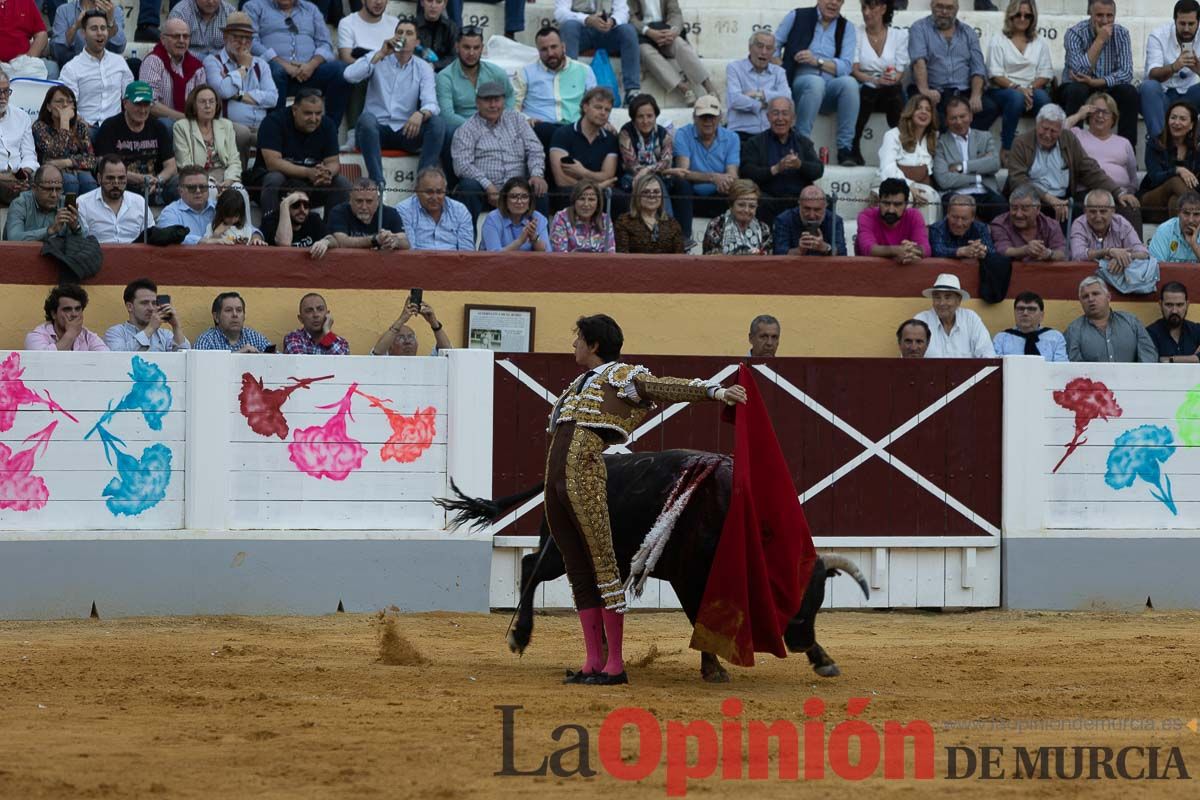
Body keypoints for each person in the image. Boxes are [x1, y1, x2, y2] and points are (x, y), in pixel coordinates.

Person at [545, 313, 746, 685]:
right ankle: (593, 661)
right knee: (578, 569)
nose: (573, 344)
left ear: (594, 345)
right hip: (556, 480)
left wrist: (714, 392)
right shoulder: (577, 383)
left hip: (586, 475)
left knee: (604, 566)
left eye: (578, 339)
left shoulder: (622, 377)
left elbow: (665, 387)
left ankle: (615, 665)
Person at [346, 17, 446, 185]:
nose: (403, 37)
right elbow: (349, 75)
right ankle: (377, 183)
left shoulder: (423, 67)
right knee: (366, 120)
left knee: (437, 123)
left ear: (417, 42)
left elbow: (432, 103)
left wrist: (421, 114)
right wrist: (380, 54)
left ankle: (423, 183)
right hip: (376, 130)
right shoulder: (377, 57)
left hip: (406, 130)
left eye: (409, 33)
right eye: (399, 33)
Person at [1006, 104, 1139, 228]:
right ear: (1037, 124)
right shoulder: (1021, 142)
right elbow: (1017, 180)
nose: (1047, 135)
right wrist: (1049, 198)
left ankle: (1133, 251)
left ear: (1061, 130)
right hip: (1031, 200)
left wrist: (1118, 192)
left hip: (1063, 200)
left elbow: (1089, 169)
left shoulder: (1068, 138)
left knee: (1119, 208)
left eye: (1053, 131)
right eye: (1044, 128)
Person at [776, 0, 860, 166]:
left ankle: (845, 149)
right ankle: (801, 142)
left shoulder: (847, 27)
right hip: (800, 80)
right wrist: (781, 69)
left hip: (829, 85)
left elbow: (846, 66)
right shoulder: (797, 15)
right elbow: (774, 46)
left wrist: (817, 61)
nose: (834, 3)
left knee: (850, 83)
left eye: (839, 0)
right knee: (815, 83)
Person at [451, 80, 548, 220]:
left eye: (497, 100)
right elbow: (462, 165)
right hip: (485, 192)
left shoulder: (516, 119)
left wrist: (537, 174)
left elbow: (535, 149)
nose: (493, 105)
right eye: (487, 100)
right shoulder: (466, 129)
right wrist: (488, 186)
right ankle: (466, 241)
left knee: (538, 187)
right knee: (468, 186)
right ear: (477, 103)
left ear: (504, 101)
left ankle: (541, 240)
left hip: (519, 189)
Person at [245, 0, 348, 126]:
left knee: (341, 69)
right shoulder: (254, 7)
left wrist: (311, 65)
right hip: (273, 75)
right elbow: (251, 42)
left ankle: (330, 129)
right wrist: (284, 65)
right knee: (275, 70)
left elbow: (325, 43)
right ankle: (277, 130)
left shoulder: (311, 9)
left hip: (309, 73)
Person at [1058, 0, 1138, 147]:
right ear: (1090, 14)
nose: (1105, 21)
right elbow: (1078, 72)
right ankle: (1071, 148)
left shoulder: (1122, 34)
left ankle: (1128, 150)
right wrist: (1100, 41)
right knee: (1077, 90)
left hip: (1104, 85)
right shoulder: (1074, 33)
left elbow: (1126, 73)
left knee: (1129, 92)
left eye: (1110, 16)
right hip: (1076, 85)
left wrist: (1097, 82)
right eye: (1099, 15)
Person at [908, 0, 997, 131]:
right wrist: (925, 90)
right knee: (935, 115)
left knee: (989, 108)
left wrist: (976, 95)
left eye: (949, 8)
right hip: (935, 91)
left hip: (963, 92)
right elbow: (918, 62)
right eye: (940, 6)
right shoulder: (919, 28)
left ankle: (962, 143)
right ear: (931, 6)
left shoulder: (968, 32)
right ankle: (949, 144)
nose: (944, 12)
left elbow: (978, 67)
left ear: (956, 9)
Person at [256, 89, 350, 212]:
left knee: (341, 183)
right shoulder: (274, 121)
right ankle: (270, 226)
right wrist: (308, 172)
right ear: (294, 110)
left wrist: (326, 173)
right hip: (280, 183)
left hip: (310, 184)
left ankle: (331, 230)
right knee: (274, 178)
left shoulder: (328, 125)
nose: (314, 119)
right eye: (308, 113)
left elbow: (333, 162)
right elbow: (273, 163)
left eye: (318, 113)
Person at [669, 95, 741, 245]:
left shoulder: (732, 137)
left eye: (712, 117)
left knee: (736, 187)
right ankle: (684, 238)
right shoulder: (683, 133)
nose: (708, 121)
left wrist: (725, 181)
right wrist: (713, 177)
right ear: (694, 117)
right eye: (703, 117)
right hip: (691, 197)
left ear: (720, 117)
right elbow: (683, 171)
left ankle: (730, 241)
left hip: (717, 195)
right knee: (680, 182)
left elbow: (732, 174)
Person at [985, 0, 1054, 158]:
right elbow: (995, 74)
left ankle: (1044, 147)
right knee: (1016, 97)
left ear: (1033, 18)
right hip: (1002, 89)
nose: (1022, 18)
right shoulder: (998, 39)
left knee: (1043, 99)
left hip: (1031, 88)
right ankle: (1007, 148)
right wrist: (1018, 88)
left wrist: (1028, 89)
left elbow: (1045, 73)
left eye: (1027, 15)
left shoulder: (1040, 42)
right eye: (1018, 14)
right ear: (1011, 16)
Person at [738, 96, 823, 222]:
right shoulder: (755, 143)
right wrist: (775, 169)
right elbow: (746, 171)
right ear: (768, 117)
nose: (780, 118)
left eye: (785, 114)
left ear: (793, 118)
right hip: (769, 200)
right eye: (775, 113)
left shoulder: (803, 142)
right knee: (759, 201)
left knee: (824, 202)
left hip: (798, 202)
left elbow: (818, 170)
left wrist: (800, 165)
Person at [95, 82, 180, 204]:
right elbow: (103, 166)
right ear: (125, 103)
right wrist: (140, 179)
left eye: (146, 104)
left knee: (182, 183)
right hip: (124, 185)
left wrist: (158, 180)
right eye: (138, 104)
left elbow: (171, 166)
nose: (143, 110)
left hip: (155, 185)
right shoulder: (110, 127)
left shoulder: (158, 127)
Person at [513, 27, 596, 148]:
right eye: (544, 49)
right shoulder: (525, 72)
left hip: (574, 129)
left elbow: (594, 103)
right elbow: (513, 106)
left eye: (554, 47)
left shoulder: (584, 70)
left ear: (563, 46)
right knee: (544, 131)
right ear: (538, 51)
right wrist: (526, 119)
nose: (550, 53)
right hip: (540, 130)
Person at [203, 12, 278, 139]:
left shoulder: (261, 64)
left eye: (248, 38)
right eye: (237, 37)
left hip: (260, 126)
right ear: (225, 37)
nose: (243, 42)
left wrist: (238, 95)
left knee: (277, 135)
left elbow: (273, 99)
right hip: (228, 127)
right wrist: (243, 68)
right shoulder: (213, 61)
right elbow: (223, 92)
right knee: (243, 134)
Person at [851, 0, 908, 165]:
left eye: (872, 7)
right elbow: (854, 70)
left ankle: (901, 146)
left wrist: (889, 80)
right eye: (864, 8)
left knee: (894, 89)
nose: (867, 13)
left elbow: (900, 71)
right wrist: (875, 80)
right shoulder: (856, 33)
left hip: (889, 87)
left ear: (883, 8)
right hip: (865, 86)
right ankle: (854, 145)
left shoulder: (899, 35)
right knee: (868, 89)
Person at [932, 95, 1005, 222]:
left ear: (970, 116)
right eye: (953, 118)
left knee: (1000, 204)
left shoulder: (984, 137)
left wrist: (962, 167)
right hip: (956, 194)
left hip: (984, 192)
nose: (959, 122)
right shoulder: (941, 143)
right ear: (946, 121)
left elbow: (994, 164)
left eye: (962, 116)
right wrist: (978, 175)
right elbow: (943, 179)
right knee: (954, 207)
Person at [554, 0, 642, 106]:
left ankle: (632, 92)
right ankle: (569, 87)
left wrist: (612, 21)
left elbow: (623, 11)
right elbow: (560, 12)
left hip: (607, 32)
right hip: (581, 31)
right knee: (569, 26)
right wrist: (587, 19)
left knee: (628, 30)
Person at [627, 0, 713, 106]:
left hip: (665, 30)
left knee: (680, 44)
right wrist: (648, 31)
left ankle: (709, 88)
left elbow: (675, 13)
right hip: (643, 34)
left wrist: (673, 31)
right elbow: (630, 17)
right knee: (645, 52)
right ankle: (684, 88)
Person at [59, 11, 133, 130]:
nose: (99, 33)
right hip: (85, 128)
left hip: (115, 129)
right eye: (94, 28)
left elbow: (129, 98)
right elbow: (66, 105)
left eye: (103, 28)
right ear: (83, 33)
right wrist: (80, 122)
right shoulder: (71, 68)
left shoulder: (119, 62)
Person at [1062, 92, 1139, 205]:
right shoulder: (1076, 135)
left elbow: (1133, 179)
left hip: (1120, 195)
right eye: (1096, 111)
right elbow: (1060, 132)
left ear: (1113, 118)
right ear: (1088, 114)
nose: (1100, 116)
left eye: (1105, 112)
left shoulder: (1124, 142)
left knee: (1132, 210)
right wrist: (1079, 114)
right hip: (1087, 194)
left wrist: (1128, 194)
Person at [1140, 0, 1200, 142]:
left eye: (1191, 24)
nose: (1186, 29)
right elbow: (1152, 74)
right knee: (1148, 87)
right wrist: (1174, 67)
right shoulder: (1158, 36)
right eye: (1182, 23)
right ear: (1174, 21)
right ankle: (1159, 144)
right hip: (1162, 95)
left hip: (1189, 97)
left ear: (1198, 22)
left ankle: (1195, 146)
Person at [435, 26, 515, 131]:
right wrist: (480, 128)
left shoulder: (496, 72)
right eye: (466, 47)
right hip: (462, 129)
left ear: (482, 48)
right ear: (457, 47)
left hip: (496, 126)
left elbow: (509, 96)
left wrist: (502, 120)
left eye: (476, 48)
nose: (471, 53)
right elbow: (447, 115)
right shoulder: (445, 77)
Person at [876, 94, 939, 224]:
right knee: (905, 197)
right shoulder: (893, 135)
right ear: (910, 112)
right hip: (892, 181)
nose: (923, 112)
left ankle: (923, 241)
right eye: (919, 108)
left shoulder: (933, 138)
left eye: (928, 109)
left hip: (920, 184)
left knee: (929, 197)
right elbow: (887, 167)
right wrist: (909, 186)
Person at [1065, 275, 1157, 362]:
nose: (1091, 299)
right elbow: (1074, 368)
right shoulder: (1074, 330)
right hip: (1093, 379)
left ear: (1108, 297)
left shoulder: (1131, 322)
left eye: (1095, 294)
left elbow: (1148, 357)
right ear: (1081, 302)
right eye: (1085, 296)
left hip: (1131, 378)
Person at [549, 87, 619, 200]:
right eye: (598, 107)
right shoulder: (563, 134)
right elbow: (561, 179)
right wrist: (597, 187)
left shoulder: (610, 139)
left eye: (607, 110)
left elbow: (608, 176)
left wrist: (583, 172)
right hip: (570, 193)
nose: (603, 113)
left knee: (618, 197)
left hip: (598, 194)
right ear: (585, 107)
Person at [617, 94, 680, 213]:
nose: (645, 121)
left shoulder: (663, 133)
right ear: (634, 118)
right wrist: (652, 170)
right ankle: (666, 224)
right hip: (632, 179)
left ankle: (684, 231)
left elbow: (666, 161)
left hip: (660, 178)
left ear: (655, 115)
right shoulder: (626, 133)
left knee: (681, 185)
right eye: (640, 116)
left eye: (649, 116)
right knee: (654, 180)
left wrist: (647, 170)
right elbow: (632, 166)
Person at [139, 18, 207, 129]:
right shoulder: (153, 61)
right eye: (176, 36)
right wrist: (184, 119)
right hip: (159, 124)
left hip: (191, 122)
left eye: (185, 37)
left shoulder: (197, 68)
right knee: (166, 124)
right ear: (162, 39)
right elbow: (149, 104)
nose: (181, 40)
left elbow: (202, 101)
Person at [31, 85, 97, 197]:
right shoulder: (40, 127)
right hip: (50, 173)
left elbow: (91, 160)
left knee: (88, 182)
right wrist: (64, 122)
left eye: (70, 102)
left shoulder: (80, 127)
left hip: (77, 170)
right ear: (49, 107)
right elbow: (56, 153)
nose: (65, 105)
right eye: (59, 101)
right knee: (69, 181)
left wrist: (67, 162)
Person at [1140, 100, 1200, 223]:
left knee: (1175, 201)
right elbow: (1155, 177)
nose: (1176, 122)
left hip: (1173, 208)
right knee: (1175, 181)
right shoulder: (1155, 143)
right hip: (1152, 200)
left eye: (1182, 119)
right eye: (1173, 118)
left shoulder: (1196, 149)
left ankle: (1181, 242)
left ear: (1191, 125)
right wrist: (1177, 170)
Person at [174, 85, 244, 188]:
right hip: (198, 179)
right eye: (202, 102)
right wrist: (211, 181)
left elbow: (234, 160)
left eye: (211, 101)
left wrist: (229, 180)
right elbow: (185, 165)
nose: (208, 106)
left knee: (240, 192)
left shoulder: (226, 125)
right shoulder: (181, 127)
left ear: (216, 104)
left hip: (225, 176)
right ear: (194, 105)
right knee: (211, 191)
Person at [914, 273, 996, 358]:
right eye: (937, 297)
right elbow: (910, 359)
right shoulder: (921, 321)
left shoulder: (970, 319)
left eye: (948, 297)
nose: (942, 303)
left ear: (959, 300)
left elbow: (987, 354)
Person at [76, 155, 155, 243]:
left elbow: (151, 237)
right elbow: (79, 241)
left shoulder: (139, 202)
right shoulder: (83, 203)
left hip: (134, 255)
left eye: (121, 178)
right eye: (110, 178)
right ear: (99, 178)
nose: (116, 184)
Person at [726, 31, 790, 137]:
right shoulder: (734, 68)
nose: (764, 52)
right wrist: (762, 105)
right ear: (750, 47)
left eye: (769, 48)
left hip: (770, 134)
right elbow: (735, 100)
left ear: (773, 52)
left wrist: (761, 95)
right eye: (760, 46)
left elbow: (787, 98)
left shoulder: (779, 72)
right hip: (741, 133)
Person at [397, 166, 475, 250]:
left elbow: (467, 252)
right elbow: (409, 251)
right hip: (419, 262)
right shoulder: (404, 209)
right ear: (416, 191)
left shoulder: (460, 210)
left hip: (453, 262)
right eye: (429, 192)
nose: (434, 197)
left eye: (439, 192)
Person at [855, 177, 930, 262]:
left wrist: (910, 251)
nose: (891, 210)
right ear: (879, 202)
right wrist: (897, 251)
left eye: (897, 204)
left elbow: (925, 249)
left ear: (906, 204)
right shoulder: (866, 216)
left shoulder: (914, 216)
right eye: (886, 203)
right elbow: (867, 249)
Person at [104, 277, 190, 351]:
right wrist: (151, 328)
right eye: (144, 303)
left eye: (154, 303)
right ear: (130, 307)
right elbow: (119, 359)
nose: (151, 308)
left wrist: (176, 327)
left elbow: (186, 358)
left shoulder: (165, 335)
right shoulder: (115, 332)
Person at [3, 165, 85, 242]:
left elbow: (86, 241)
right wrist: (50, 230)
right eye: (48, 189)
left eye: (58, 189)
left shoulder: (64, 203)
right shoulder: (20, 204)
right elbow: (13, 239)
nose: (54, 195)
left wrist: (75, 227)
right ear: (34, 188)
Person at [1069, 188, 1149, 265]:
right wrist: (1107, 252)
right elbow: (1077, 256)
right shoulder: (1079, 224)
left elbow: (1143, 253)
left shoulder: (1121, 223)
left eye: (1103, 211)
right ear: (1085, 211)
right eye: (1093, 211)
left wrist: (1124, 257)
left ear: (1113, 211)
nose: (1098, 217)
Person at [989, 183, 1067, 261]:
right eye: (1014, 208)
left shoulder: (1052, 225)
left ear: (1038, 209)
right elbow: (1002, 251)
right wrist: (1025, 250)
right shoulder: (1000, 223)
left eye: (1025, 209)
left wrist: (1049, 254)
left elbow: (1063, 254)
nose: (1018, 214)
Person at [325, 177, 408, 250]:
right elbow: (341, 242)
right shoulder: (339, 212)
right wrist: (375, 240)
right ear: (350, 199)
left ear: (378, 201)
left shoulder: (390, 213)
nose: (364, 207)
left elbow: (406, 242)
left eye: (369, 201)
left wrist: (393, 241)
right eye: (359, 201)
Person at [928, 194, 1007, 270]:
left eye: (964, 218)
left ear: (973, 218)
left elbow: (992, 251)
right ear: (948, 214)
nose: (959, 223)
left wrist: (981, 249)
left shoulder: (981, 228)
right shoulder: (937, 228)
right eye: (955, 217)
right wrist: (961, 251)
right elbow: (937, 250)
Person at [614, 171, 684, 254]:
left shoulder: (672, 224)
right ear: (637, 195)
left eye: (656, 192)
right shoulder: (624, 222)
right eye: (646, 192)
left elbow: (679, 258)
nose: (651, 195)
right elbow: (622, 257)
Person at [25, 284, 109, 352]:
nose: (74, 314)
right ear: (54, 314)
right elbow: (44, 362)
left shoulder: (89, 337)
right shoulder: (36, 336)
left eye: (78, 309)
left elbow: (108, 362)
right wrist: (71, 334)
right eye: (67, 309)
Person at [701, 179, 773, 255]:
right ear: (731, 205)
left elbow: (768, 260)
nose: (746, 210)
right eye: (741, 205)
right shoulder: (717, 225)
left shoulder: (764, 229)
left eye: (752, 206)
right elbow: (710, 259)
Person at [772, 184, 847, 256]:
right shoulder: (784, 220)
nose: (812, 216)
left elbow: (842, 254)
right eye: (807, 209)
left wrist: (825, 248)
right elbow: (779, 254)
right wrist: (799, 250)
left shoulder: (835, 221)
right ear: (799, 203)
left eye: (817, 210)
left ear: (825, 205)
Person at [991, 291, 1068, 360]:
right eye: (1021, 309)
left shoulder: (1055, 338)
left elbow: (1061, 368)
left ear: (1042, 315)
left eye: (1031, 309)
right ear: (1014, 313)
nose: (1025, 313)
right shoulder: (1001, 339)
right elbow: (997, 371)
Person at [0, 70, 38, 207]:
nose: (3, 97)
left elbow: (29, 154)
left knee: (49, 179)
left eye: (6, 91)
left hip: (19, 176)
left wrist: (24, 173)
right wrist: (3, 178)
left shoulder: (22, 117)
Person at [480, 177, 549, 251]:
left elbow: (548, 254)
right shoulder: (493, 218)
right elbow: (493, 256)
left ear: (530, 201)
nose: (519, 201)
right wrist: (520, 241)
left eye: (524, 197)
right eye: (513, 197)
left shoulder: (538, 218)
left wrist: (534, 238)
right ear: (505, 200)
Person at [51, 0, 128, 67]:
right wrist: (75, 27)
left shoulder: (114, 10)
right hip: (74, 68)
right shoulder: (64, 10)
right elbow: (56, 52)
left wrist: (110, 22)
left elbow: (119, 48)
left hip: (106, 68)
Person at [550, 178, 616, 253]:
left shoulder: (605, 219)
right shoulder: (562, 217)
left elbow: (610, 253)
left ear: (598, 203)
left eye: (591, 199)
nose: (586, 204)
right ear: (574, 200)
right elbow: (559, 254)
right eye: (581, 199)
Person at [194, 291, 274, 352]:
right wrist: (237, 355)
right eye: (228, 310)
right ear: (216, 317)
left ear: (244, 316)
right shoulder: (207, 340)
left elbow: (279, 360)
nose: (235, 315)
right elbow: (201, 368)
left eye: (239, 310)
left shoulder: (254, 337)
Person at [157, 165, 216, 244]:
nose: (198, 191)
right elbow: (170, 236)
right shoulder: (170, 212)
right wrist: (201, 241)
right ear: (180, 191)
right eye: (192, 188)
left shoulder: (219, 208)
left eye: (202, 187)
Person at [262, 190, 332, 255]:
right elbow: (284, 243)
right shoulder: (271, 219)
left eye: (306, 205)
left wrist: (325, 242)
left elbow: (333, 240)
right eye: (296, 204)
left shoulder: (313, 218)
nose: (302, 210)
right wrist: (285, 203)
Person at [370, 300, 452, 355]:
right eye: (401, 338)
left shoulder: (426, 365)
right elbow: (377, 353)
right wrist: (402, 319)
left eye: (411, 337)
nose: (407, 342)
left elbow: (448, 352)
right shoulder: (383, 364)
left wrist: (434, 324)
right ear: (389, 347)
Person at [1147, 281, 1200, 362]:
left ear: (1187, 304)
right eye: (1169, 305)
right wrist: (1193, 359)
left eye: (1179, 305)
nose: (1174, 311)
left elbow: (1161, 361)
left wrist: (1171, 359)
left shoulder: (1196, 330)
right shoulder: (1150, 333)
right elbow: (1151, 362)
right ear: (1160, 304)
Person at [283, 293, 350, 355]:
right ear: (301, 319)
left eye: (320, 309)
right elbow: (300, 365)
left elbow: (342, 363)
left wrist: (327, 332)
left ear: (327, 315)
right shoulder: (294, 338)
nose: (316, 315)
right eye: (309, 311)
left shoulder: (341, 343)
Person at [168, 0, 236, 60]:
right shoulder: (180, 13)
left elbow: (237, 46)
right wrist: (207, 60)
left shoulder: (230, 13)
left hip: (222, 65)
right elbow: (173, 48)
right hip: (188, 63)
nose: (210, 1)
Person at [0, 0, 49, 77]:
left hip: (23, 65)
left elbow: (41, 34)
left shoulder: (26, 2)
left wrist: (28, 58)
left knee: (52, 69)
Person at [1149, 189, 1200, 261]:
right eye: (1186, 213)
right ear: (1178, 213)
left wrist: (1195, 246)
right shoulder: (1164, 230)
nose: (1190, 220)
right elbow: (1155, 268)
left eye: (1196, 214)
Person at [416, 0, 458, 71]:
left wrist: (435, 65)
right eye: (429, 1)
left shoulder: (451, 27)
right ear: (422, 2)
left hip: (444, 73)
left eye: (438, 2)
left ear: (444, 4)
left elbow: (455, 56)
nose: (433, 6)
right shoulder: (412, 26)